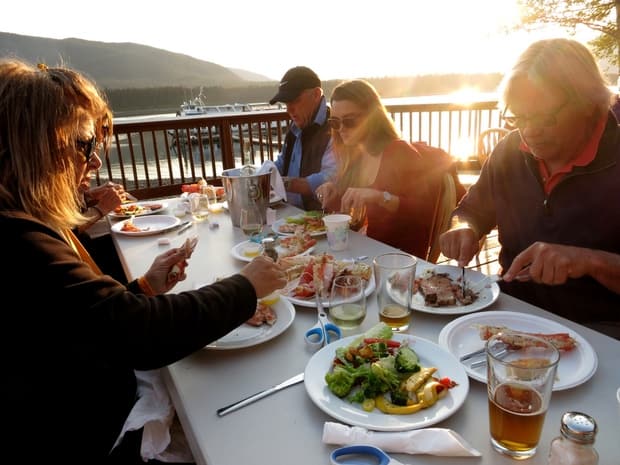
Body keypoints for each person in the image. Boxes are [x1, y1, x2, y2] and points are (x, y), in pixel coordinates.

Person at [0, 59, 287, 464]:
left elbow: (89, 323)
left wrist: (144, 288)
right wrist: (246, 286)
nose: (95, 162)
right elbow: (140, 334)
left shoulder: (24, 223)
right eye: (84, 145)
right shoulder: (19, 241)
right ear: (33, 145)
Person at [439, 38, 620, 339]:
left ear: (588, 105)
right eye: (519, 117)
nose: (529, 131)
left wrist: (589, 261)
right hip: (511, 309)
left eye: (545, 117)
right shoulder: (510, 150)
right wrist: (464, 227)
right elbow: (471, 210)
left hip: (602, 329)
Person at [315, 79, 464, 259]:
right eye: (335, 122)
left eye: (350, 121)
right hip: (363, 254)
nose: (341, 129)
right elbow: (356, 217)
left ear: (373, 118)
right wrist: (334, 196)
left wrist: (380, 197)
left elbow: (425, 212)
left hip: (398, 260)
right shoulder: (355, 156)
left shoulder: (398, 152)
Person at [270, 66, 336, 210]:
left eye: (295, 100)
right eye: (286, 103)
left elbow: (332, 177)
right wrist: (263, 174)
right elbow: (282, 163)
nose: (289, 109)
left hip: (321, 220)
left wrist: (286, 183)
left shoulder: (335, 127)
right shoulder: (295, 127)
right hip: (291, 216)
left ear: (316, 94)